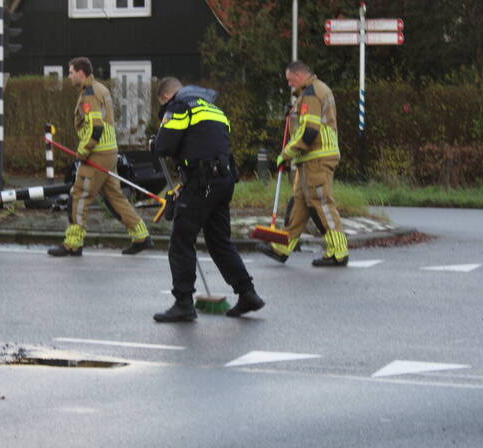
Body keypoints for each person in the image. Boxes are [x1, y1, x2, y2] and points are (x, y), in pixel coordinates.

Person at [151, 77, 264, 322]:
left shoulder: (179, 106)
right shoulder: (214, 109)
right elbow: (206, 143)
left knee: (181, 240)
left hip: (202, 183)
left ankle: (183, 303)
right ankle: (247, 293)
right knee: (219, 242)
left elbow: (164, 145)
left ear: (166, 96)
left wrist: (156, 140)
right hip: (223, 181)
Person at [48, 57, 152, 257]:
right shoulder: (101, 89)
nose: (68, 76)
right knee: (115, 197)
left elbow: (95, 128)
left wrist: (83, 152)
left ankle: (73, 243)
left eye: (70, 72)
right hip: (109, 152)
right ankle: (141, 236)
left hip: (96, 155)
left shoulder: (90, 94)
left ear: (81, 73)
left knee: (79, 196)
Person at [261, 61, 349, 267]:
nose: (290, 84)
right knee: (300, 204)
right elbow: (305, 126)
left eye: (290, 80)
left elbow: (309, 131)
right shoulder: (311, 92)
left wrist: (287, 153)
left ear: (299, 75)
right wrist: (292, 113)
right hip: (310, 158)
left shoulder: (311, 93)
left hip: (316, 158)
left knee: (322, 204)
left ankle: (338, 251)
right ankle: (282, 247)